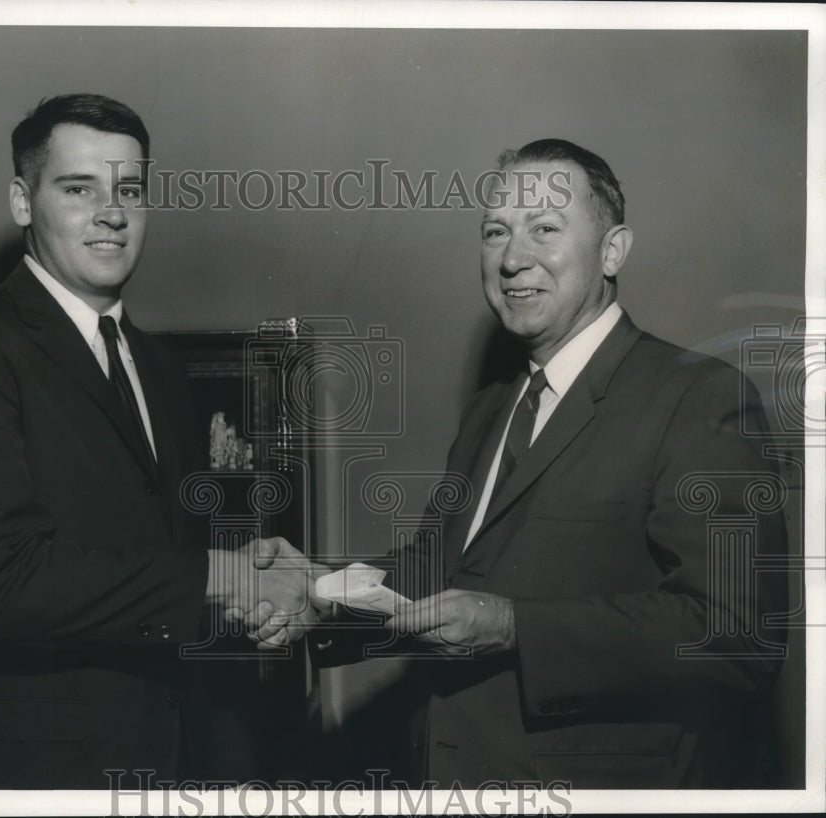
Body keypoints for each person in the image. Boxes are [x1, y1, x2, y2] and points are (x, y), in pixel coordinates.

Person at [257, 139, 789, 788]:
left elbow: (734, 635)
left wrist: (515, 627)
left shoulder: (700, 397)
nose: (513, 258)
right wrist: (321, 587)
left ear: (613, 250)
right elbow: (440, 570)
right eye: (496, 232)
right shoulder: (492, 408)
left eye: (545, 229)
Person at [0, 93, 315, 788]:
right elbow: (9, 582)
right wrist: (225, 576)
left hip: (183, 754)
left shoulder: (158, 366)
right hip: (41, 773)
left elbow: (157, 565)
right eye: (77, 188)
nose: (112, 212)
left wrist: (250, 584)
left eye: (129, 189)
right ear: (22, 201)